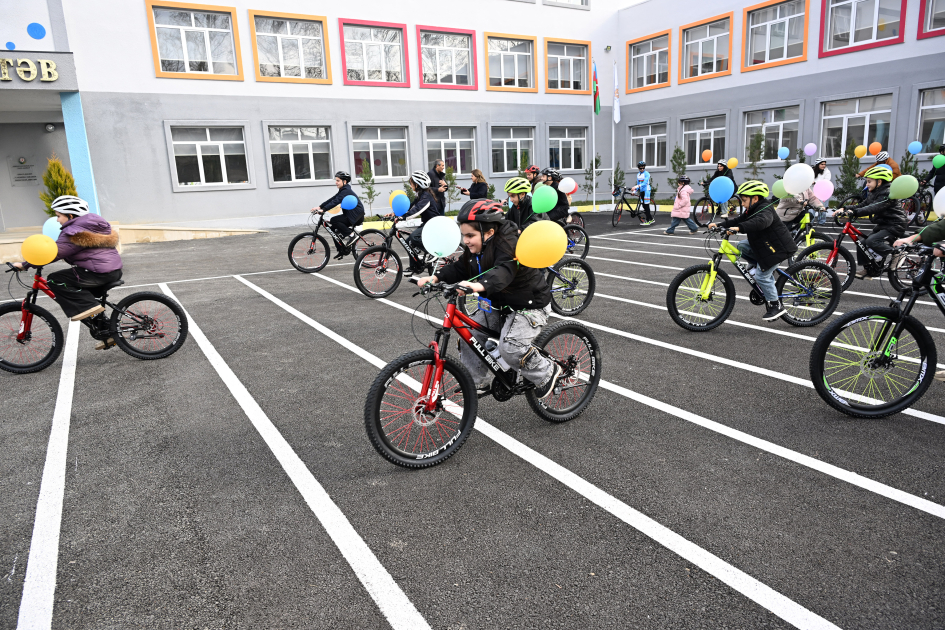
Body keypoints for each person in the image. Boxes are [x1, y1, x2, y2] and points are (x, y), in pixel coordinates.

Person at [414, 200, 562, 399]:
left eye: (470, 235)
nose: (465, 241)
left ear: (489, 232)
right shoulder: (478, 247)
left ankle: (546, 372)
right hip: (499, 304)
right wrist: (436, 277)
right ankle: (475, 382)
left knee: (511, 348)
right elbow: (460, 267)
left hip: (529, 305)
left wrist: (478, 286)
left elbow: (503, 271)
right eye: (463, 235)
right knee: (469, 335)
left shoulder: (508, 244)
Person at [11, 195, 122, 349]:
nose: (57, 220)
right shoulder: (90, 223)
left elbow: (55, 252)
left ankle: (91, 309)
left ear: (70, 215)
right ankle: (106, 330)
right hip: (111, 270)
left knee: (55, 279)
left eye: (58, 216)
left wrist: (25, 264)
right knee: (80, 295)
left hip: (98, 273)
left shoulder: (74, 231)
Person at [708, 181, 797, 322]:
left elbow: (762, 222)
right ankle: (760, 267)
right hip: (765, 245)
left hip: (777, 249)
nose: (742, 204)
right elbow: (739, 220)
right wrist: (720, 225)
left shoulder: (765, 209)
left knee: (762, 277)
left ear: (755, 198)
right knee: (742, 245)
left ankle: (775, 305)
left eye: (744, 200)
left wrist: (738, 229)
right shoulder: (752, 209)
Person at [839, 165, 907, 278]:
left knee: (872, 241)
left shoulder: (888, 193)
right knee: (862, 244)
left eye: (869, 181)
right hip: (884, 224)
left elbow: (874, 207)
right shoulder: (874, 192)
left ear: (879, 181)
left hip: (895, 224)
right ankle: (870, 269)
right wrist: (846, 208)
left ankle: (897, 253)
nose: (867, 184)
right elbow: (864, 204)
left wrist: (855, 213)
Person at [389, 170, 440, 277]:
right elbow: (410, 207)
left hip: (434, 224)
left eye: (412, 183)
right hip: (427, 223)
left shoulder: (426, 197)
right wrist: (394, 214)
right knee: (408, 242)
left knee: (414, 237)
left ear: (417, 184)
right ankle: (414, 267)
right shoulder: (420, 195)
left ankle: (433, 252)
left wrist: (403, 217)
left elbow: (416, 210)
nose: (411, 185)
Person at [311, 170, 365, 258]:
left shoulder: (346, 191)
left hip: (356, 216)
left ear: (344, 181)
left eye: (338, 180)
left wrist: (323, 209)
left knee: (334, 220)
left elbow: (336, 201)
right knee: (333, 230)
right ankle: (341, 250)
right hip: (351, 215)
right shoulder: (342, 190)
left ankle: (351, 235)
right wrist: (320, 207)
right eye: (336, 180)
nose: (336, 182)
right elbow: (333, 199)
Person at [629, 161, 655, 225]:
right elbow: (639, 184)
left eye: (643, 168)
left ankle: (648, 221)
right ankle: (651, 219)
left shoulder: (647, 174)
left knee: (646, 206)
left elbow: (644, 183)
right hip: (641, 191)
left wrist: (636, 187)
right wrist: (634, 191)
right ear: (638, 168)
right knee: (643, 206)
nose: (642, 169)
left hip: (646, 190)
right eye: (641, 168)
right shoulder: (638, 175)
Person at [812, 158, 832, 224]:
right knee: (812, 207)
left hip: (823, 192)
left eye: (824, 164)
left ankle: (821, 222)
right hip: (813, 192)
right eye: (822, 164)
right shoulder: (812, 171)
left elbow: (826, 181)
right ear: (818, 164)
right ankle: (810, 221)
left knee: (822, 207)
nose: (824, 165)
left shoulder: (827, 172)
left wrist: (815, 182)